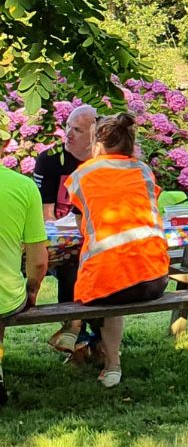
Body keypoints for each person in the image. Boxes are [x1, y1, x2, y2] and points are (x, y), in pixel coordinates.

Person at [67, 113, 170, 388]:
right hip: (155, 278)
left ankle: (78, 332)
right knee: (117, 274)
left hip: (110, 285)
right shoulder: (144, 171)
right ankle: (109, 362)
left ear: (97, 144)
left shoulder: (83, 174)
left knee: (103, 278)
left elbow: (82, 226)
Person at [34, 103, 96, 355]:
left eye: (78, 130)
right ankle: (79, 335)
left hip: (92, 242)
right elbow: (45, 216)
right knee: (73, 265)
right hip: (59, 243)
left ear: (96, 135)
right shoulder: (50, 160)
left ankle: (82, 336)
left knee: (90, 265)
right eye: (68, 126)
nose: (68, 134)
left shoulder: (103, 165)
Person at [0, 158, 48, 404]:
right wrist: (32, 290)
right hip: (5, 298)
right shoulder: (24, 186)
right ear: (4, 146)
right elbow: (38, 261)